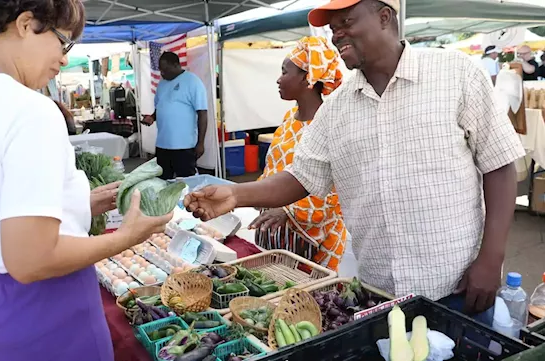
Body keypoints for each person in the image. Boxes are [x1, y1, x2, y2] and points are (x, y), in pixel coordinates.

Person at [185, 0, 524, 326]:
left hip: (460, 287)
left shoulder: (456, 74)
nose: (337, 35)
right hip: (379, 297)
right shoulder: (336, 109)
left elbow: (499, 165)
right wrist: (235, 196)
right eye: (333, 29)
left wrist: (490, 258)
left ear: (384, 17)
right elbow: (300, 178)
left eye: (346, 23)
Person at [0, 1, 172, 360]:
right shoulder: (31, 110)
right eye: (63, 41)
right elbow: (32, 259)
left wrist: (77, 203)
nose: (62, 58)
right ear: (26, 24)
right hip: (48, 312)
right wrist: (126, 238)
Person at [250, 36, 348, 272]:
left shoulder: (331, 126)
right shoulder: (289, 119)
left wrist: (288, 210)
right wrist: (254, 195)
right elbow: (274, 168)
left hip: (314, 242)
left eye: (285, 71)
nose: (278, 78)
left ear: (307, 77)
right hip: (277, 237)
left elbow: (334, 191)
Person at [142, 51, 208, 179]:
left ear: (176, 65)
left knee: (186, 182)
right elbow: (160, 106)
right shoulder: (162, 83)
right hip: (162, 145)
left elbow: (202, 113)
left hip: (184, 147)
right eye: (161, 70)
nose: (162, 74)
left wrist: (201, 143)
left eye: (165, 70)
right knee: (162, 182)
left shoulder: (193, 82)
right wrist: (152, 117)